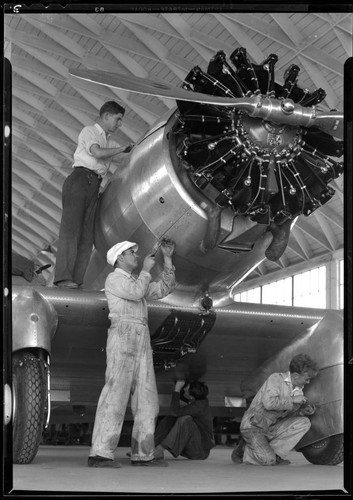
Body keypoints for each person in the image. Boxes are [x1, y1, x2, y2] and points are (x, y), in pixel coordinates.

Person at [88, 238, 176, 468]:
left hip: (141, 336)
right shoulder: (115, 279)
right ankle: (100, 453)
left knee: (147, 399)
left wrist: (167, 258)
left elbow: (165, 288)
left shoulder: (137, 281)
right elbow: (137, 294)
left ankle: (142, 454)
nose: (136, 256)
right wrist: (147, 270)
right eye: (132, 253)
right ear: (120, 258)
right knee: (115, 395)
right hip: (123, 335)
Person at [54, 101, 134, 289]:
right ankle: (63, 278)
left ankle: (76, 280)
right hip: (80, 180)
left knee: (86, 237)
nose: (119, 125)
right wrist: (122, 148)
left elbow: (121, 157)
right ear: (106, 116)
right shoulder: (89, 132)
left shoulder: (108, 141)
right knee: (71, 231)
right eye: (118, 119)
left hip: (94, 186)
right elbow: (97, 152)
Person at [232, 353, 318, 466]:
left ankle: (276, 455)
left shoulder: (298, 390)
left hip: (271, 428)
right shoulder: (276, 379)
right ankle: (244, 449)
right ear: (296, 375)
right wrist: (293, 400)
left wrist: (302, 412)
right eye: (307, 379)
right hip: (254, 426)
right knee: (267, 460)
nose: (308, 382)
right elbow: (269, 403)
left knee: (304, 422)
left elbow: (285, 415)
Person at [153, 379, 215, 460]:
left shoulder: (198, 407)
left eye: (186, 388)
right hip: (194, 445)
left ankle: (159, 449)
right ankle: (150, 447)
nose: (184, 389)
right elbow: (183, 397)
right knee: (170, 418)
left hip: (200, 452)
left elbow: (175, 412)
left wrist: (177, 390)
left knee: (185, 419)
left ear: (191, 396)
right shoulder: (199, 399)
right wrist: (178, 385)